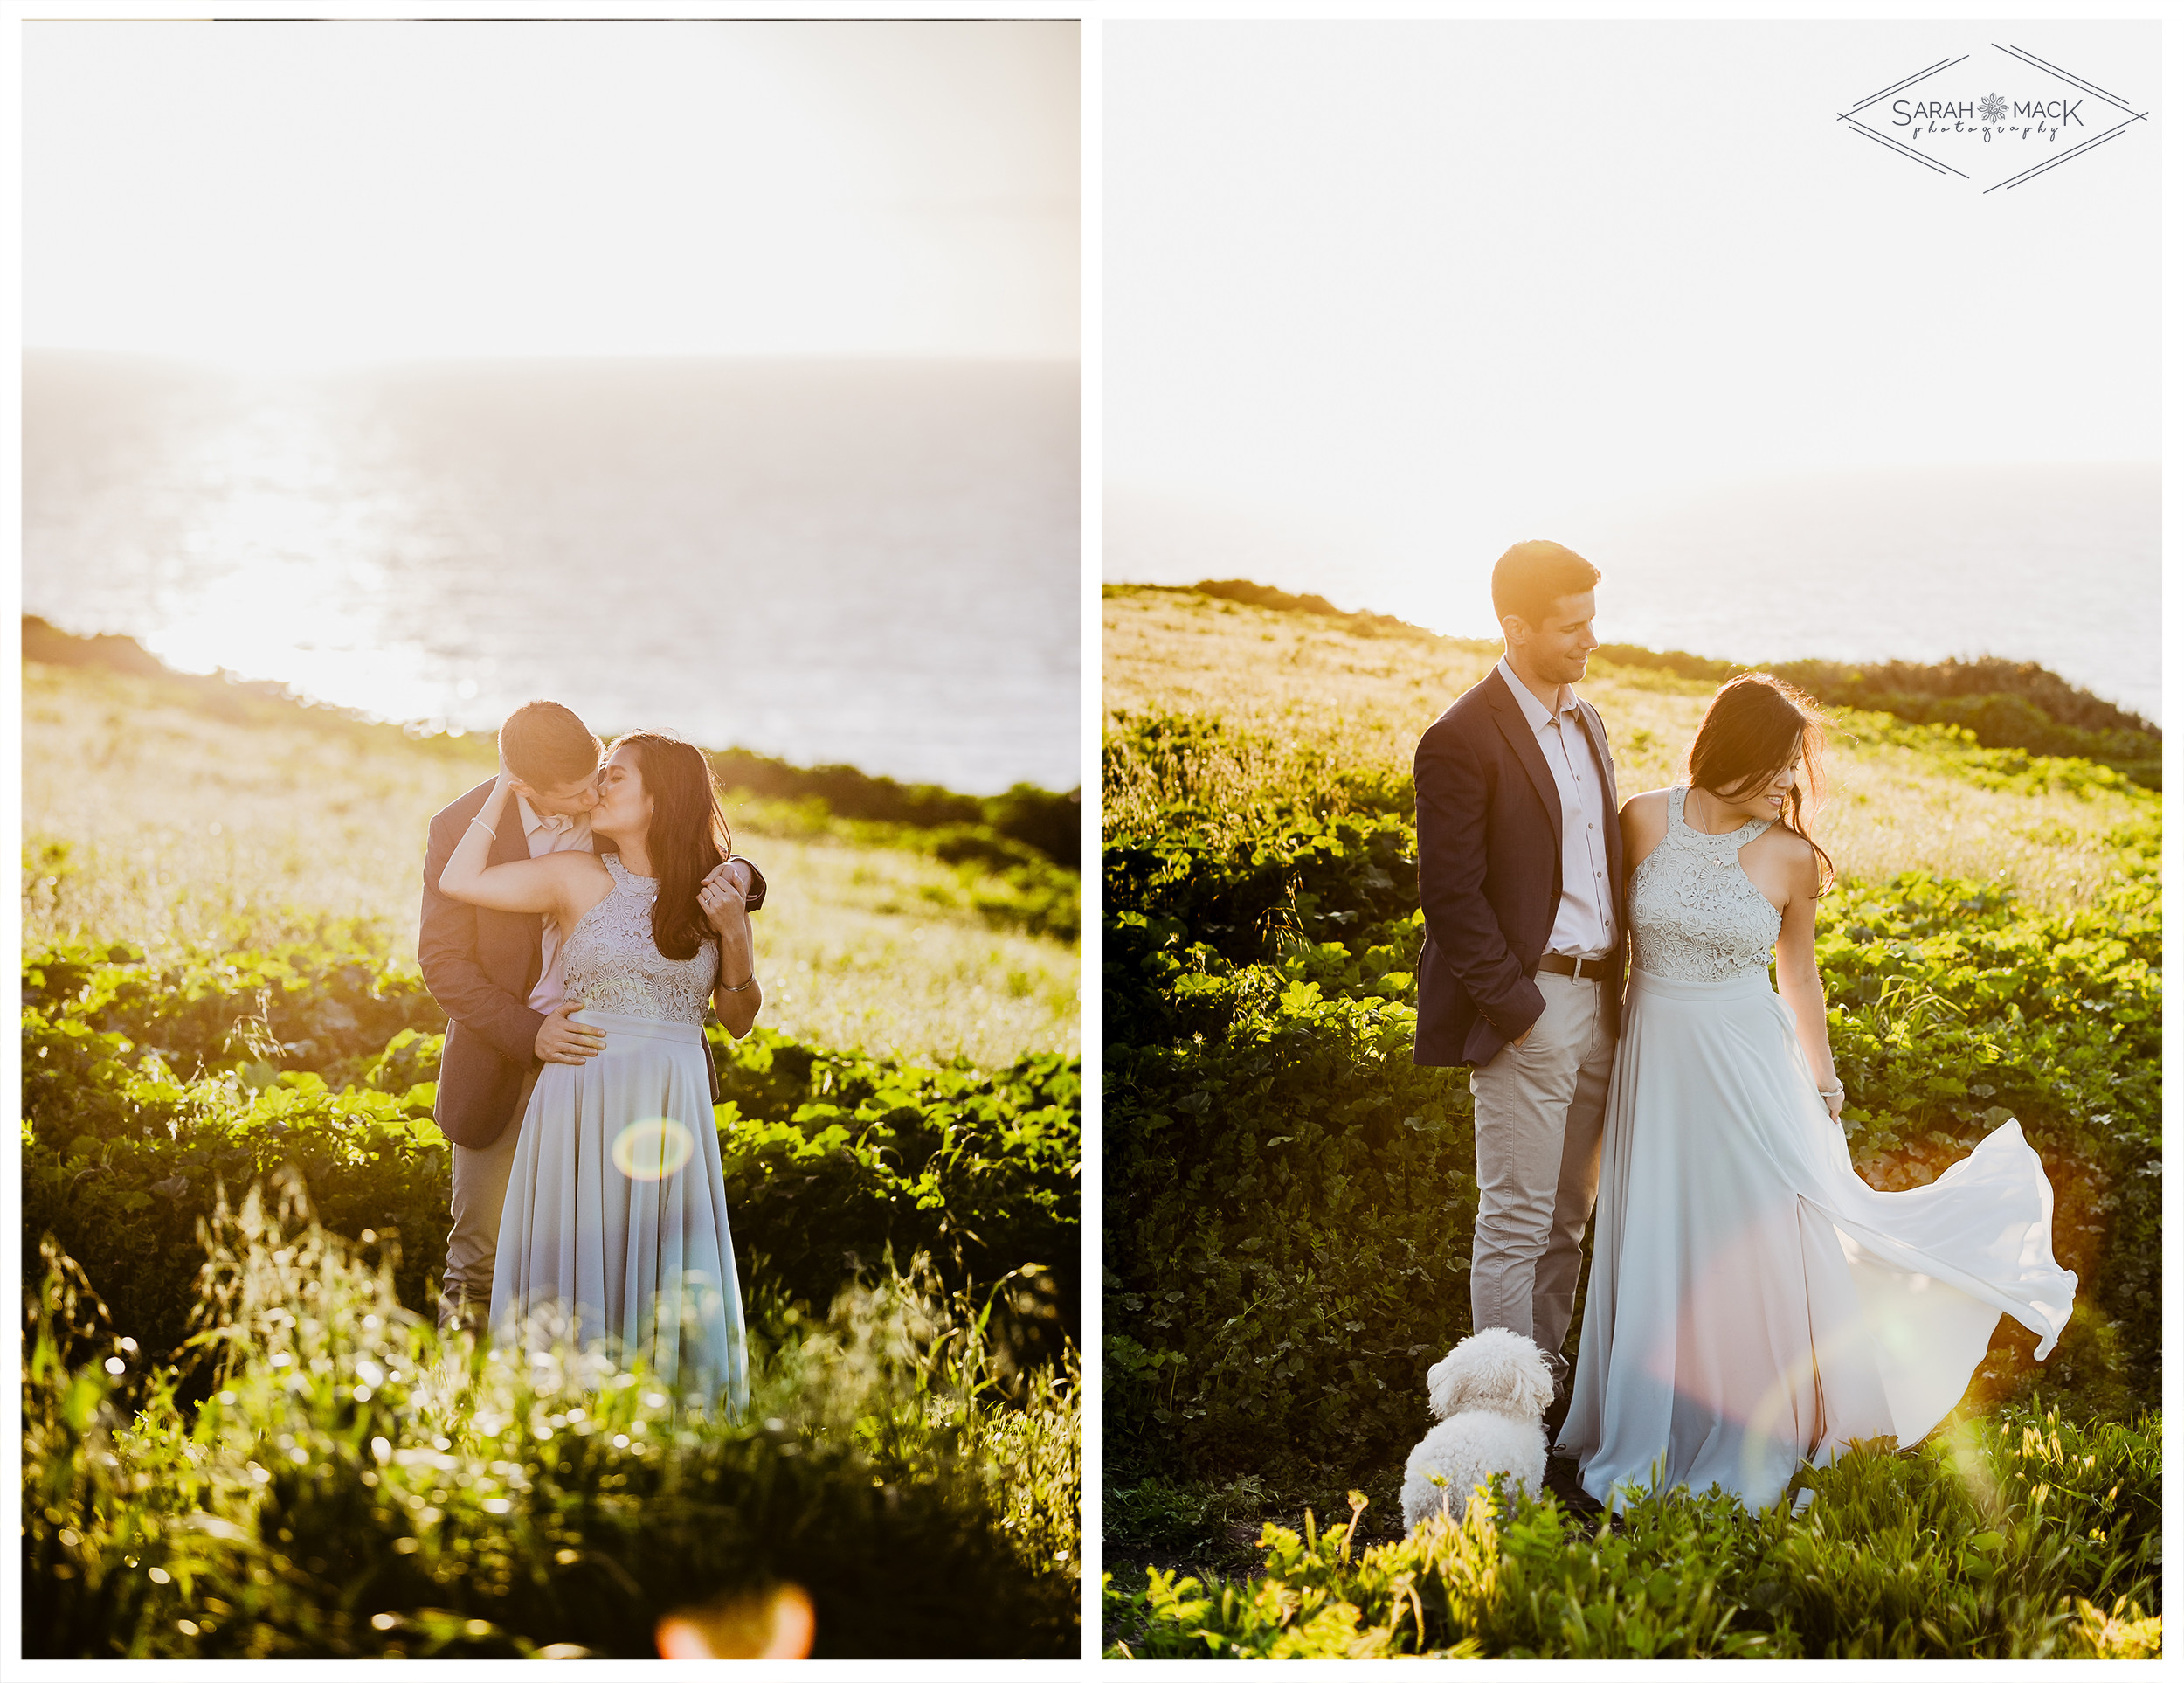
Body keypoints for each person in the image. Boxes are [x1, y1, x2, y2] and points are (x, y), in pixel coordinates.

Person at [1557, 675, 2077, 1510]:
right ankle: (1653, 1420)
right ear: (1728, 750)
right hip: (1655, 1061)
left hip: (1747, 1068)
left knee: (1752, 1240)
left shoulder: (1793, 856)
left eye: (1795, 763)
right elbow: (1605, 935)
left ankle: (1756, 1422)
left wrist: (1824, 1077)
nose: (1788, 779)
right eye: (1775, 760)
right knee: (1661, 1229)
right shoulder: (1644, 819)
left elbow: (1798, 974)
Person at [436, 726, 764, 1409]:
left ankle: (659, 1420)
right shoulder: (577, 872)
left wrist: (735, 928)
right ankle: (487, 1418)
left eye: (616, 776)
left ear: (659, 799)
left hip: (669, 1097)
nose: (598, 787)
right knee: (492, 1258)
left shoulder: (713, 891)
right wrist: (505, 784)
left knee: (658, 1266)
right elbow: (457, 894)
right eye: (601, 773)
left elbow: (737, 1016)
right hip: (570, 1082)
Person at [1413, 539, 1623, 1427]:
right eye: (1571, 626)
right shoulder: (1459, 738)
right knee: (1512, 1227)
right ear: (1516, 626)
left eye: (1591, 620)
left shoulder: (1588, 722)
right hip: (1528, 1011)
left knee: (1567, 1226)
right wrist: (1521, 1014)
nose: (1589, 639)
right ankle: (1493, 1439)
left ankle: (1538, 1416)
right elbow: (1451, 898)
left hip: (1603, 1006)